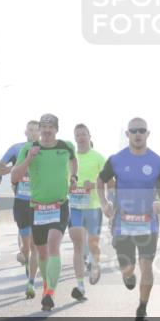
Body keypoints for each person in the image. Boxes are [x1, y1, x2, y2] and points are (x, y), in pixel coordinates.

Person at [98, 117, 160, 321]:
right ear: (127, 134)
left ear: (148, 134)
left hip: (148, 223)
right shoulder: (116, 160)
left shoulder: (158, 162)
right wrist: (104, 203)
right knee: (128, 269)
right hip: (123, 223)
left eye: (142, 130)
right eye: (134, 130)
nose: (138, 134)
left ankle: (142, 307)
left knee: (147, 267)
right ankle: (128, 275)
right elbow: (100, 180)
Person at [10, 113, 77, 312]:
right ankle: (47, 285)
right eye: (44, 128)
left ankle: (49, 292)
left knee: (54, 245)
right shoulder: (28, 149)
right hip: (37, 207)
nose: (47, 131)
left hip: (59, 205)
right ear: (39, 130)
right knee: (41, 253)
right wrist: (29, 160)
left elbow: (73, 161)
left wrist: (74, 176)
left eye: (51, 128)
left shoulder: (66, 146)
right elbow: (14, 177)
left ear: (56, 129)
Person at [0, 120, 41, 297]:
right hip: (21, 201)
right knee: (27, 246)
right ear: (25, 131)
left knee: (36, 245)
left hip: (39, 202)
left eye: (37, 130)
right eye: (30, 129)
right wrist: (14, 169)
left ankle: (31, 283)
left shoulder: (45, 148)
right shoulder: (16, 149)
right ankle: (23, 253)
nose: (33, 133)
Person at [67, 123, 105, 301]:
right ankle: (80, 286)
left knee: (93, 245)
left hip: (93, 207)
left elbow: (108, 180)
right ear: (75, 139)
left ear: (90, 136)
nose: (81, 137)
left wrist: (95, 184)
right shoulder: (70, 159)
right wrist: (68, 186)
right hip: (75, 207)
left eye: (83, 134)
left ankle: (94, 263)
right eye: (77, 135)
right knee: (77, 246)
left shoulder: (98, 157)